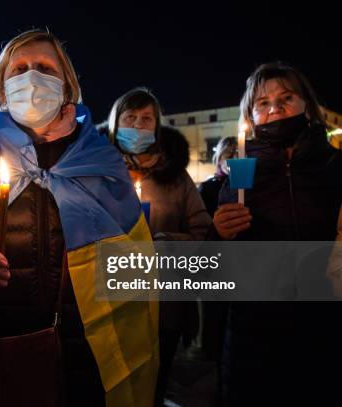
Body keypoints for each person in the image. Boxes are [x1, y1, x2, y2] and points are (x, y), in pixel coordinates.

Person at [0, 30, 159, 407]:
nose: (30, 78)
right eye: (18, 70)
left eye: (45, 68)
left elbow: (134, 275)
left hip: (86, 365)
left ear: (67, 88)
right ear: (1, 90)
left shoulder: (104, 165)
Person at [212, 62, 342, 405]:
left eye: (286, 97)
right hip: (255, 328)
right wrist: (221, 233)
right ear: (251, 116)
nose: (275, 108)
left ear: (307, 104)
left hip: (327, 322)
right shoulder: (239, 174)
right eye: (263, 103)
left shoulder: (338, 167)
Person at [105, 87, 212, 406]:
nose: (138, 125)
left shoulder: (177, 179)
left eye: (146, 118)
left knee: (155, 384)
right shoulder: (99, 173)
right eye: (130, 117)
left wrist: (164, 244)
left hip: (164, 306)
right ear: (115, 123)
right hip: (110, 303)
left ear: (157, 126)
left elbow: (203, 232)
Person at [198, 136, 237, 217]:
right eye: (230, 157)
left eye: (239, 156)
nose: (235, 160)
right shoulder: (207, 188)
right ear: (219, 160)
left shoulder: (249, 185)